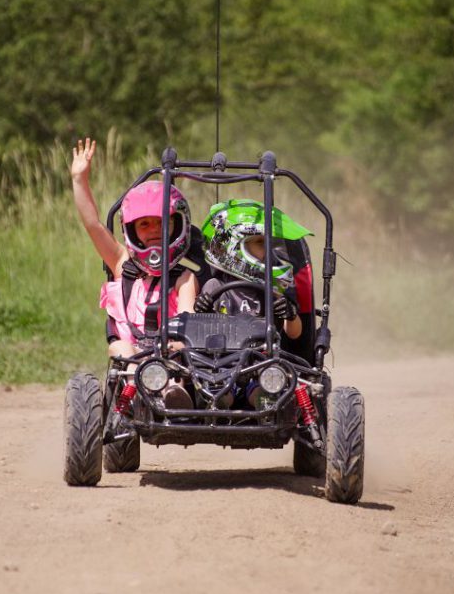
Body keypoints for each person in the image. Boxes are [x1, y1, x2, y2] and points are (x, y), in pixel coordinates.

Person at [70, 137, 196, 409]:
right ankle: (137, 395)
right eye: (144, 224)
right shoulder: (121, 262)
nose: (152, 230)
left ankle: (172, 393)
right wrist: (80, 180)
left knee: (179, 356)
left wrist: (170, 348)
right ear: (132, 231)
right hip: (130, 352)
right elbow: (92, 225)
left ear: (176, 227)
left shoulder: (185, 278)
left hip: (170, 353)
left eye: (161, 223)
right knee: (123, 351)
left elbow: (187, 323)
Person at [194, 199, 310, 406]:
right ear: (234, 247)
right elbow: (198, 339)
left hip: (262, 365)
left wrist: (290, 314)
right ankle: (219, 400)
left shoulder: (275, 287)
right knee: (214, 383)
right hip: (220, 364)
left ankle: (262, 402)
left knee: (265, 382)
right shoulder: (214, 286)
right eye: (259, 243)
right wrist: (200, 312)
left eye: (267, 242)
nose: (268, 251)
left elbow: (295, 333)